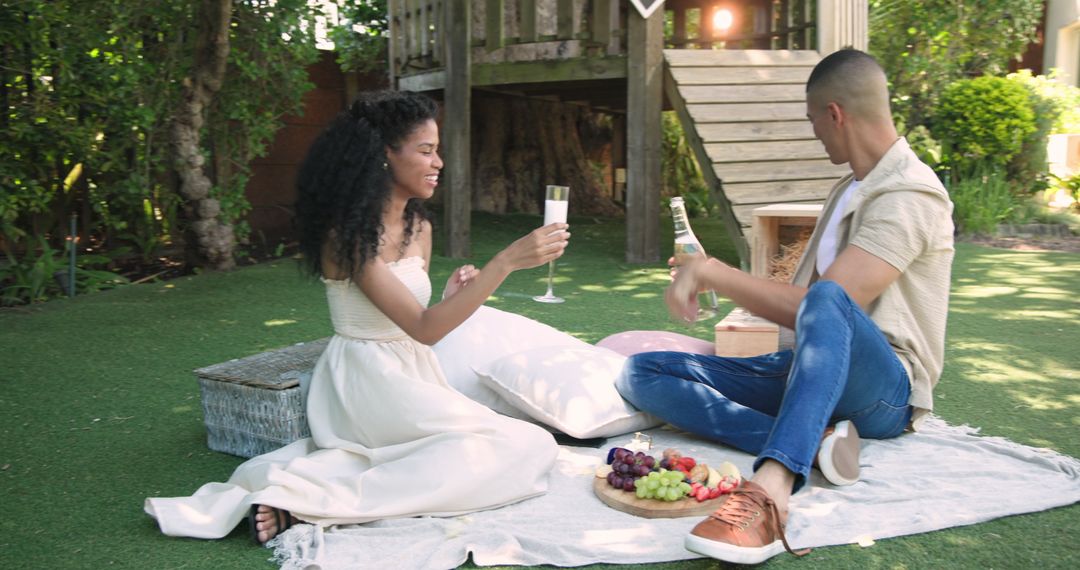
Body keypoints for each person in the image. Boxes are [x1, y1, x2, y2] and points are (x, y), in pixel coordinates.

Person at [145, 90, 570, 545]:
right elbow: (426, 328)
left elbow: (422, 323)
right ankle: (309, 505)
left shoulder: (419, 228)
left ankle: (323, 500)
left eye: (437, 150)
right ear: (384, 157)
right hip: (366, 383)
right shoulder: (346, 238)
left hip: (414, 374)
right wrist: (503, 263)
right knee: (518, 447)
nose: (439, 162)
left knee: (528, 444)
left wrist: (451, 297)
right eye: (426, 150)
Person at [614, 49, 954, 565]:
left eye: (813, 119)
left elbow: (827, 306)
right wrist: (710, 270)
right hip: (809, 374)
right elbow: (808, 317)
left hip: (884, 392)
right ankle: (817, 444)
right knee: (645, 371)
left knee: (829, 298)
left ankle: (772, 490)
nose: (814, 131)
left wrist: (717, 276)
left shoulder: (910, 194)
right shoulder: (851, 188)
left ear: (834, 114)